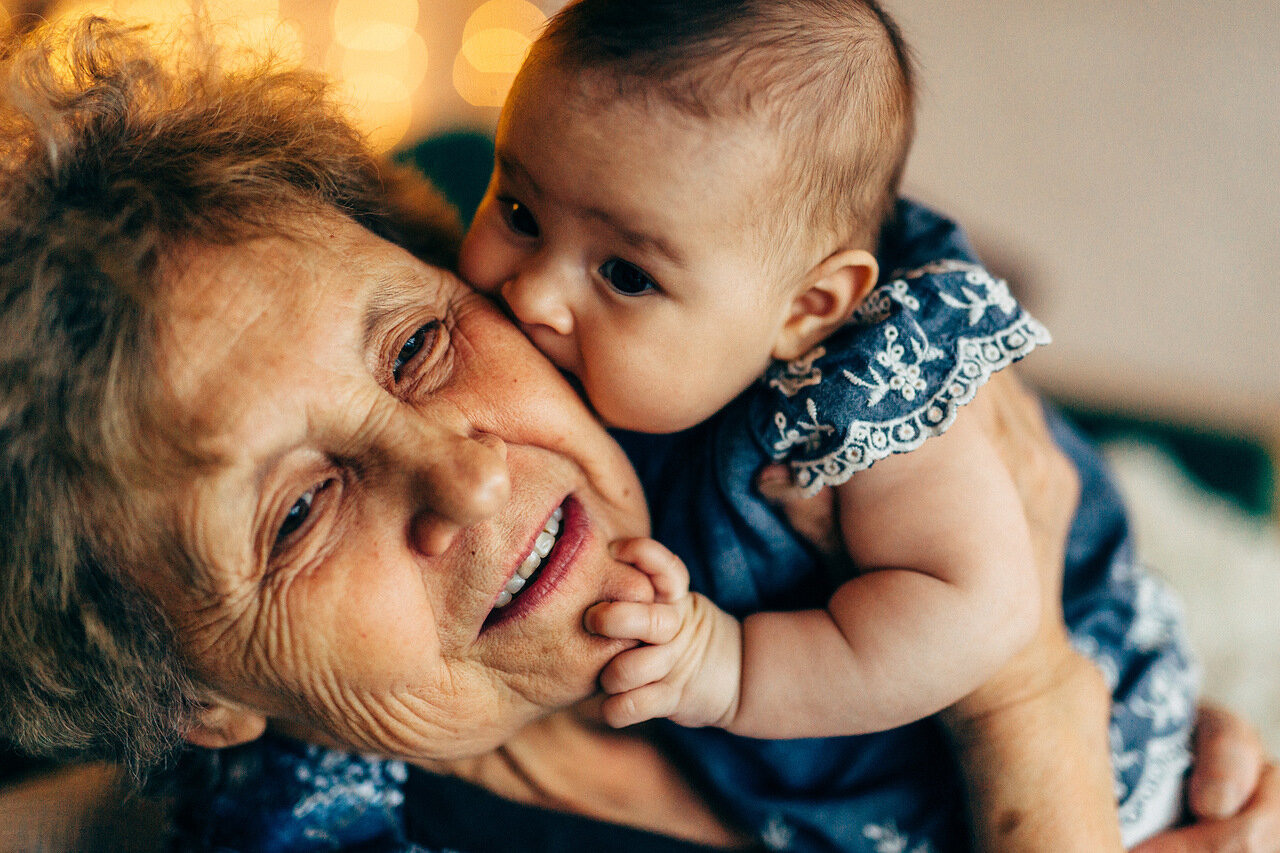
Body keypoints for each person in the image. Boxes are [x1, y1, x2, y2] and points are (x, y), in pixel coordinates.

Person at [0, 15, 1275, 853]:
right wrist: (1029, 704)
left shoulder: (742, 428)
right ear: (195, 699)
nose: (472, 473)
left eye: (416, 346)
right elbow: (1017, 661)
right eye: (295, 513)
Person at [457, 0, 1194, 847]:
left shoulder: (868, 386)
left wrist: (728, 665)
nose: (535, 295)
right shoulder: (585, 345)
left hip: (1067, 754)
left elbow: (978, 611)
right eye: (518, 211)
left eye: (625, 272)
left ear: (808, 309)